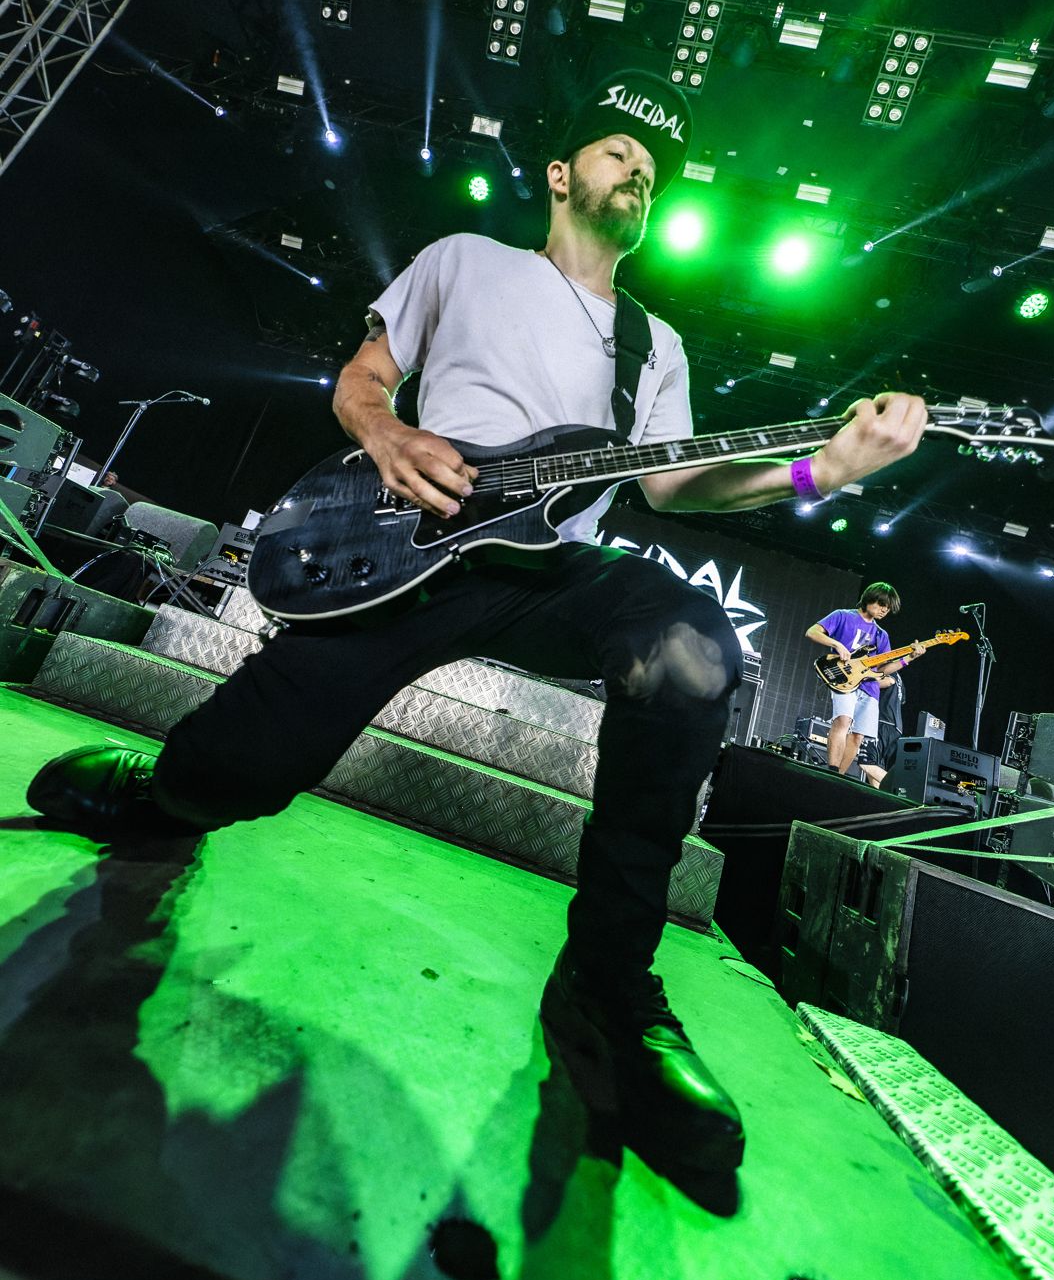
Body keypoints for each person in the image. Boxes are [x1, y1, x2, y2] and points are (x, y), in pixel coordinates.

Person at [27, 70, 928, 1181]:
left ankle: (609, 983)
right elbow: (364, 377)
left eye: (655, 167)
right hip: (419, 543)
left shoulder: (656, 347)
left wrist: (821, 466)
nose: (638, 169)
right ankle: (164, 792)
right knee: (247, 768)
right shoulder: (466, 261)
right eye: (617, 150)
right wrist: (388, 437)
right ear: (561, 173)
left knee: (691, 644)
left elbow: (680, 487)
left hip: (555, 565)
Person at [806, 583, 925, 778]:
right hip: (845, 679)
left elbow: (884, 670)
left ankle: (838, 777)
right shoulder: (843, 615)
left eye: (888, 608)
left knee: (858, 735)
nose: (884, 610)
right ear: (870, 598)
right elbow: (812, 632)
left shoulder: (881, 635)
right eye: (882, 604)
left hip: (869, 687)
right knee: (843, 720)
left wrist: (909, 658)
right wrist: (837, 645)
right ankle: (832, 770)